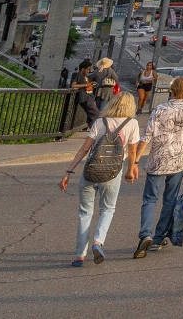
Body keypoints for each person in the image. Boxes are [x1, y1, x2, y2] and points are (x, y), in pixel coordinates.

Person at [59, 92, 139, 266]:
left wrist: (68, 172)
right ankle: (98, 241)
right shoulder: (132, 124)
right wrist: (131, 170)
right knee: (107, 209)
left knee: (84, 212)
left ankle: (80, 255)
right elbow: (132, 152)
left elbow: (84, 149)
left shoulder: (99, 122)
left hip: (91, 171)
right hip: (112, 173)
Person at [135, 75, 183, 258]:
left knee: (150, 198)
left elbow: (146, 137)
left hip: (157, 159)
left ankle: (145, 234)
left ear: (172, 90)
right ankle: (157, 238)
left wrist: (135, 161)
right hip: (178, 161)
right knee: (170, 199)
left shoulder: (160, 109)